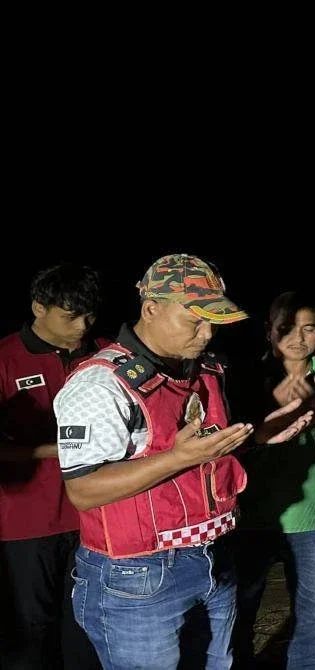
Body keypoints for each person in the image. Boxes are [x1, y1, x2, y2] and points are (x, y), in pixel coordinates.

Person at [53, 253, 312, 669]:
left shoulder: (205, 370)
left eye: (213, 321)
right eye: (194, 321)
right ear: (151, 308)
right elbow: (83, 490)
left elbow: (202, 460)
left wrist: (256, 435)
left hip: (212, 556)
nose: (207, 333)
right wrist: (177, 458)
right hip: (136, 575)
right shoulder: (101, 384)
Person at [0, 263, 103, 669]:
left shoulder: (104, 354)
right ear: (38, 308)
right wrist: (55, 451)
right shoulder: (6, 358)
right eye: (69, 315)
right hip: (24, 526)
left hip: (92, 520)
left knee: (84, 625)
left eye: (89, 315)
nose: (81, 325)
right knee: (28, 631)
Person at [230, 291, 315, 669]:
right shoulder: (244, 377)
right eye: (286, 328)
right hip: (252, 517)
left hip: (314, 513)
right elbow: (232, 444)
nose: (298, 338)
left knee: (313, 616)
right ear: (269, 331)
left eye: (309, 328)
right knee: (240, 614)